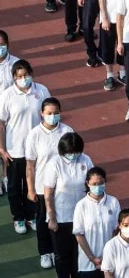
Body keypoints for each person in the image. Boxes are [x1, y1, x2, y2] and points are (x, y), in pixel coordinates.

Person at [0, 59, 51, 234]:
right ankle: (18, 218)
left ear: (31, 73)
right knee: (15, 187)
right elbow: (1, 123)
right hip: (14, 150)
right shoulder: (7, 95)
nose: (23, 78)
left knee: (33, 185)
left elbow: (49, 117)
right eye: (19, 76)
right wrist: (2, 148)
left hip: (36, 150)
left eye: (26, 75)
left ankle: (31, 216)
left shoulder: (42, 91)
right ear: (14, 77)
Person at [25, 97, 73, 270]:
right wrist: (30, 189)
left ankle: (57, 250)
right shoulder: (34, 135)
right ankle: (45, 252)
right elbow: (30, 165)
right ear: (42, 114)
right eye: (49, 113)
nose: (53, 116)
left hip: (63, 186)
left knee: (61, 220)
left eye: (56, 113)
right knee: (43, 221)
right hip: (41, 187)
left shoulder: (67, 131)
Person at [43, 132, 94, 278]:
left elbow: (91, 184)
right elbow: (48, 193)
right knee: (62, 256)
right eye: (69, 152)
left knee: (79, 255)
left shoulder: (86, 160)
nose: (73, 155)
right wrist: (52, 218)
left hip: (81, 218)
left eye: (75, 152)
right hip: (62, 218)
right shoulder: (54, 164)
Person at [73, 167, 120, 278]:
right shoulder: (81, 205)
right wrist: (92, 258)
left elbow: (116, 230)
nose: (98, 186)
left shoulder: (113, 202)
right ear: (87, 183)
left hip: (110, 262)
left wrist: (107, 256)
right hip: (87, 264)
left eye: (101, 183)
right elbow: (79, 235)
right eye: (94, 184)